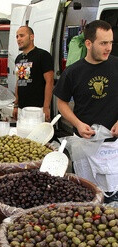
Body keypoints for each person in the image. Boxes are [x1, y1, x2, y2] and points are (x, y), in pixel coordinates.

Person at [53, 20, 118, 202]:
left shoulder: (116, 66)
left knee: (113, 199)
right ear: (88, 44)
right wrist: (78, 124)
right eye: (103, 43)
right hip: (84, 146)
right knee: (86, 198)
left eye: (111, 42)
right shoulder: (73, 72)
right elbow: (62, 104)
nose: (108, 48)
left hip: (114, 148)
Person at [13, 26, 54, 121]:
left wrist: (46, 107)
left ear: (31, 37)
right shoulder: (18, 58)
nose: (18, 39)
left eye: (22, 36)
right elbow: (19, 82)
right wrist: (16, 105)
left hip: (38, 108)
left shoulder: (43, 55)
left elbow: (50, 81)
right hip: (21, 108)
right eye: (17, 36)